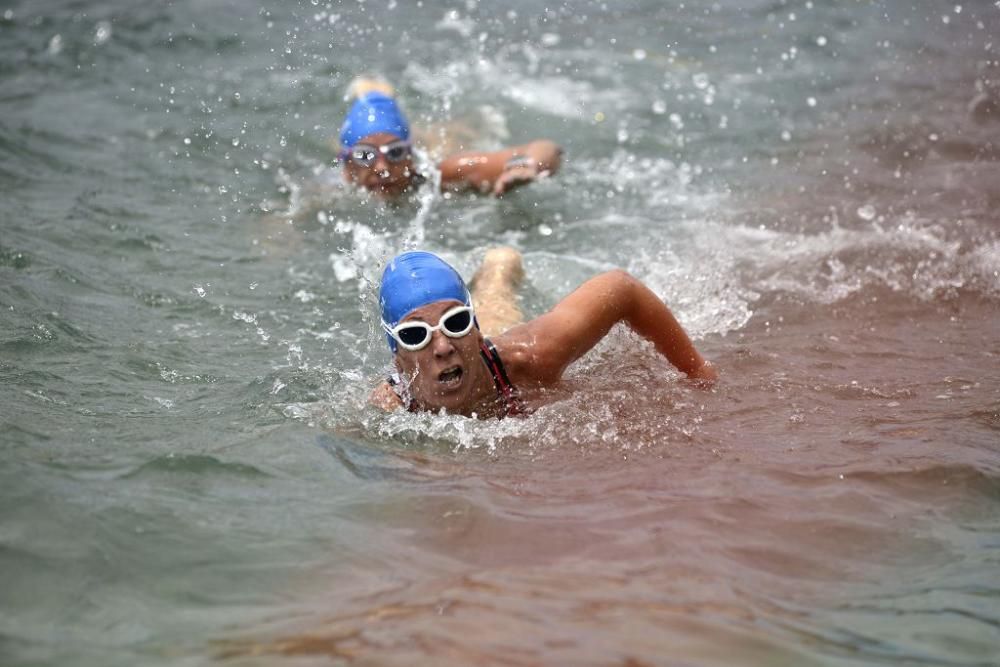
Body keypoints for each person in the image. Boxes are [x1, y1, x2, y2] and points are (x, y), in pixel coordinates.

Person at [369, 248, 718, 418]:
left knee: (497, 303)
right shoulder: (393, 410)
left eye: (457, 322)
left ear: (474, 331)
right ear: (396, 353)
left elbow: (620, 288)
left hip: (497, 348)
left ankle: (500, 266)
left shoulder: (530, 359)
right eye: (416, 335)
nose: (442, 346)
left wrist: (696, 372)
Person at [338, 78, 562, 198]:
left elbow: (547, 147)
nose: (382, 167)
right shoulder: (334, 194)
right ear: (347, 165)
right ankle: (374, 91)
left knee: (448, 138)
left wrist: (527, 165)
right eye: (364, 155)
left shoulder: (441, 175)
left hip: (455, 135)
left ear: (410, 157)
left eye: (395, 152)